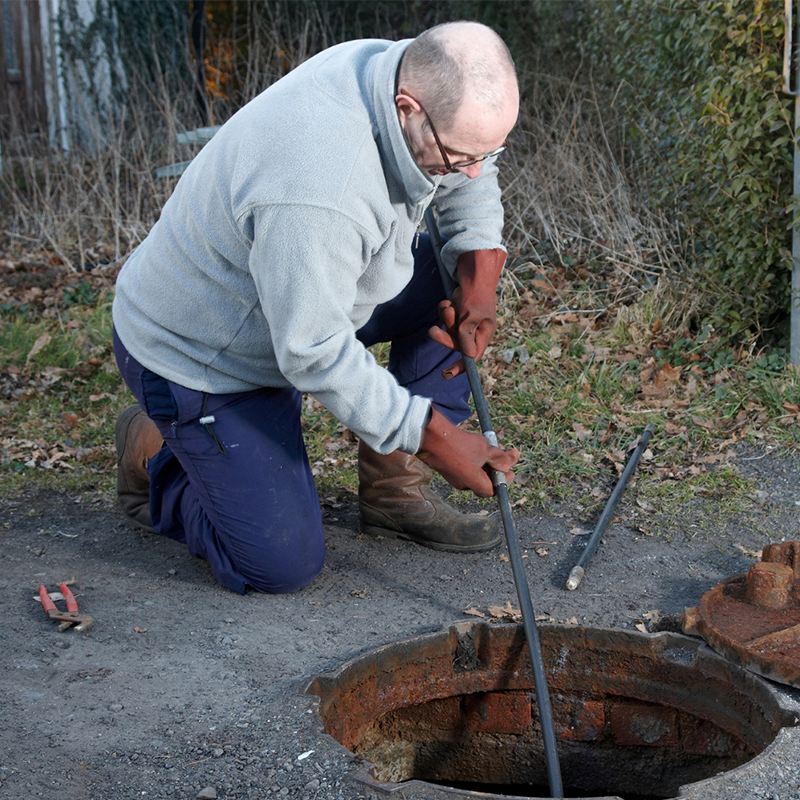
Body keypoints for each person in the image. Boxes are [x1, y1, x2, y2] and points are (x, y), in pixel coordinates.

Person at [112, 20, 520, 594]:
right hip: (203, 351)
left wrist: (479, 272)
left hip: (307, 288)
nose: (474, 171)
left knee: (443, 275)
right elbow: (313, 348)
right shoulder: (319, 181)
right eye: (460, 158)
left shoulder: (401, 72)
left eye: (488, 151)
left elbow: (473, 166)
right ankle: (155, 455)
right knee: (281, 564)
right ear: (408, 107)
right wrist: (436, 438)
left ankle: (393, 494)